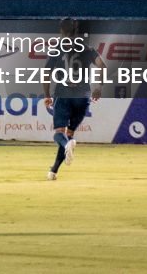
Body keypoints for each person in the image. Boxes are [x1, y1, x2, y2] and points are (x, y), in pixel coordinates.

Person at [43, 18, 104, 180]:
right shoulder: (87, 48)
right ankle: (54, 170)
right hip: (83, 96)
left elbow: (46, 73)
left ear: (61, 31)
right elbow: (102, 65)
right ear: (76, 30)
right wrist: (98, 87)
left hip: (63, 94)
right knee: (69, 133)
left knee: (59, 134)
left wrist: (47, 94)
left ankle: (66, 144)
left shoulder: (57, 49)